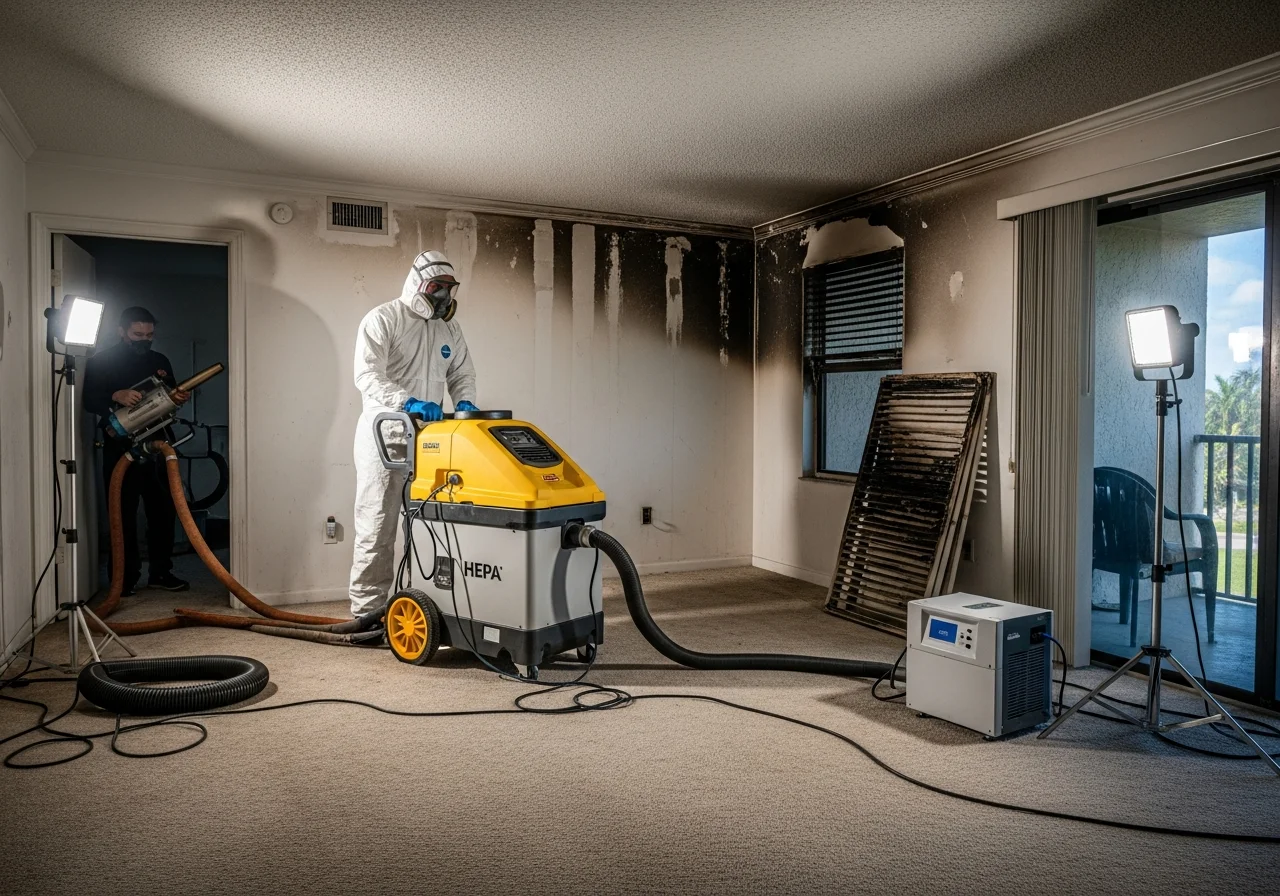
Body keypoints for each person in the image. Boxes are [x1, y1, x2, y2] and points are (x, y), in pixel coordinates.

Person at [349, 250, 478, 618]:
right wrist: (408, 402)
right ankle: (367, 615)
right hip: (385, 438)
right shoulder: (383, 318)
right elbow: (367, 375)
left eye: (449, 288)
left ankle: (428, 607)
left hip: (431, 441)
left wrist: (465, 401)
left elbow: (462, 373)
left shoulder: (449, 327)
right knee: (378, 527)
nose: (443, 296)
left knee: (433, 525)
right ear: (417, 284)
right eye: (436, 286)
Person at [83, 306, 191, 595]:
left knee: (164, 511)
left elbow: (169, 396)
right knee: (122, 514)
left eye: (150, 334)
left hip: (159, 446)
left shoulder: (160, 361)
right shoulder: (101, 361)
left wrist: (178, 396)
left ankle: (161, 573)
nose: (144, 339)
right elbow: (89, 399)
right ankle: (124, 579)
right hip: (121, 449)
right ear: (121, 331)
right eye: (137, 334)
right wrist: (115, 395)